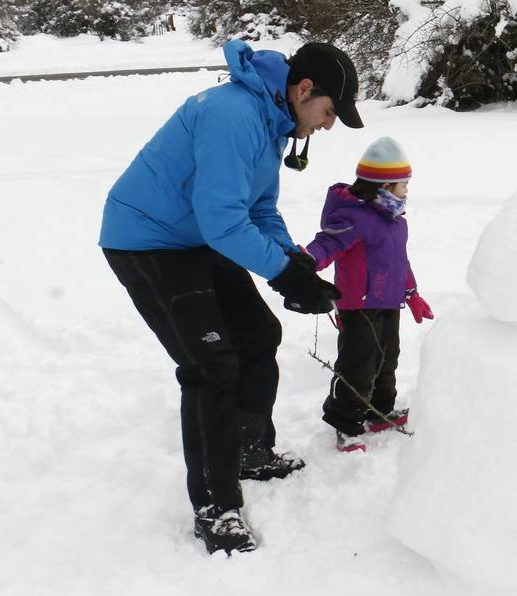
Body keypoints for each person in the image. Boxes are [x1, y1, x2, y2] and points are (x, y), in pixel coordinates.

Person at [99, 40, 363, 555]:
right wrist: (284, 275)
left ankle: (249, 451)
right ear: (304, 89)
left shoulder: (268, 124)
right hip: (146, 240)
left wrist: (294, 259)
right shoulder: (231, 115)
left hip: (194, 236)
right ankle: (216, 508)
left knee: (258, 334)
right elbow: (224, 221)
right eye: (329, 111)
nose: (329, 125)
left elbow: (257, 210)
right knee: (210, 365)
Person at [303, 137, 434, 453]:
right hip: (358, 305)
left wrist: (412, 293)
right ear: (385, 187)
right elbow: (328, 244)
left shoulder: (395, 221)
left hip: (388, 302)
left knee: (387, 359)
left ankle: (379, 411)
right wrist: (305, 261)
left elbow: (399, 262)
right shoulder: (354, 217)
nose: (406, 191)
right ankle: (345, 424)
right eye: (403, 185)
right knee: (357, 365)